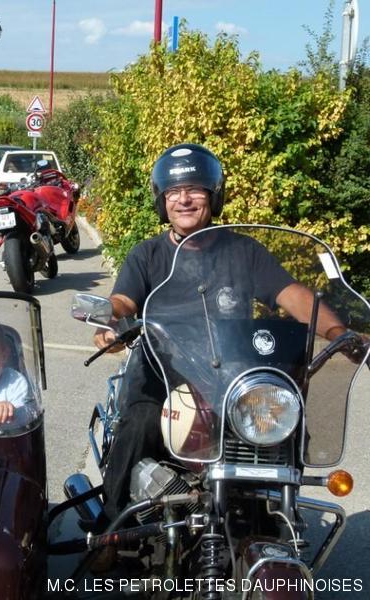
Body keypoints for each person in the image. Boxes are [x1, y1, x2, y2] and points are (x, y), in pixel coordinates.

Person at [94, 142, 349, 520]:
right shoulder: (147, 255)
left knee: (285, 420)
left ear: (213, 195)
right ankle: (111, 527)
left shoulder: (244, 252)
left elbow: (292, 294)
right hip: (163, 377)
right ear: (162, 200)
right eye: (173, 192)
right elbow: (124, 300)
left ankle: (280, 509)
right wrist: (110, 319)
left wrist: (339, 331)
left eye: (194, 190)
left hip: (228, 377)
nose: (183, 200)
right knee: (139, 422)